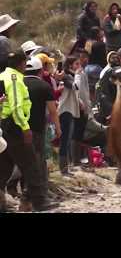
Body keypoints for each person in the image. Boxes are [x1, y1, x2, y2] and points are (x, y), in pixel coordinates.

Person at [0, 50, 59, 212]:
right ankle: (39, 201)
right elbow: (16, 106)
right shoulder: (14, 80)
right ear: (21, 64)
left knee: (4, 166)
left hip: (3, 126)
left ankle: (1, 203)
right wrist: (25, 129)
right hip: (15, 126)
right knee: (31, 165)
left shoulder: (2, 76)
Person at [22, 57, 61, 204]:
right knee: (39, 163)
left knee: (24, 163)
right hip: (37, 130)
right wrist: (58, 129)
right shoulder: (44, 86)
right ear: (40, 71)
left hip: (17, 129)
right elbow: (52, 111)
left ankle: (25, 196)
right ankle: (39, 197)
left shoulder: (18, 83)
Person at [57, 55, 81, 175]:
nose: (79, 67)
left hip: (69, 111)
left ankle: (66, 166)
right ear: (70, 65)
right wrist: (77, 75)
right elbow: (75, 87)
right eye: (76, 64)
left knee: (67, 139)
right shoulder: (67, 77)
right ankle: (63, 168)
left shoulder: (69, 76)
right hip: (65, 111)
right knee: (65, 139)